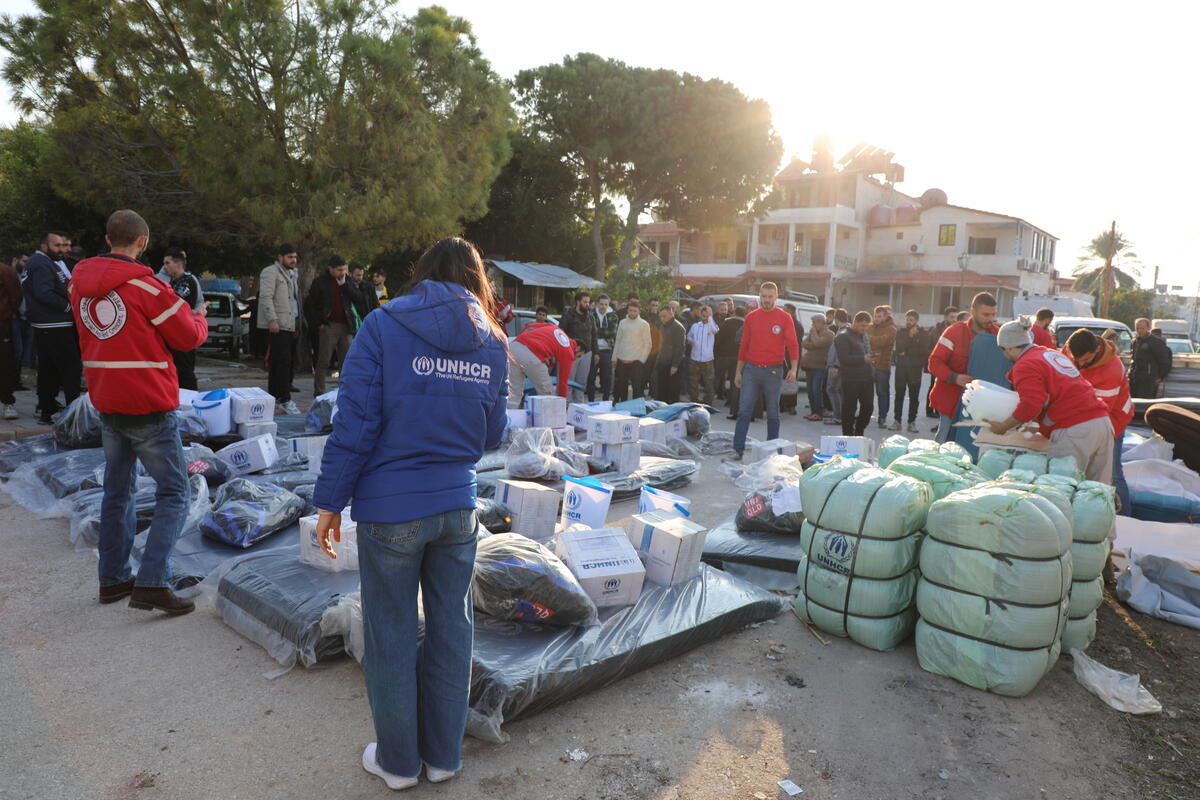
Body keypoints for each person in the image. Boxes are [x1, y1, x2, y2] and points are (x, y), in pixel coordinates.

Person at [312, 236, 508, 790]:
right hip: (457, 507)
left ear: (422, 272)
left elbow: (355, 424)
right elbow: (493, 434)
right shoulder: (493, 340)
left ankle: (398, 764)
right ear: (476, 279)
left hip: (391, 508)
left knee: (391, 634)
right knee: (453, 631)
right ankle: (443, 757)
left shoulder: (383, 325)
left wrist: (329, 502)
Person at [70, 210, 208, 614]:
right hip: (148, 404)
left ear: (107, 239)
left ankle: (113, 579)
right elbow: (187, 337)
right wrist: (198, 319)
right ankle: (152, 582)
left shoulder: (77, 284)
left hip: (107, 401)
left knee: (117, 492)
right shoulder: (148, 287)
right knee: (175, 492)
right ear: (143, 242)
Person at [986, 319, 1114, 483]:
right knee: (1098, 491)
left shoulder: (1026, 364)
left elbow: (1031, 405)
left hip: (1074, 429)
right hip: (1102, 422)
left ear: (1010, 347)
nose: (1004, 355)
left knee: (1063, 486)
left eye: (1003, 350)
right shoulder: (1049, 354)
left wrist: (1003, 427)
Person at [1064, 328, 1134, 513]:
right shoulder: (1073, 348)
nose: (1080, 363)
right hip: (1087, 415)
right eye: (1077, 359)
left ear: (1096, 350)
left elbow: (1098, 412)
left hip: (1113, 420)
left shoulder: (1111, 371)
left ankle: (1125, 516)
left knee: (1112, 472)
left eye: (1085, 360)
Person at [732, 282, 799, 459]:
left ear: (776, 297)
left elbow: (793, 345)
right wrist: (738, 371)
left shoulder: (785, 318)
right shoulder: (751, 317)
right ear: (759, 296)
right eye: (763, 296)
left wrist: (793, 369)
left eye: (770, 297)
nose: (766, 300)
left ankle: (771, 453)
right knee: (744, 411)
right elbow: (744, 345)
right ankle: (737, 450)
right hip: (751, 370)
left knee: (773, 413)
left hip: (773, 372)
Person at [24, 230, 82, 424]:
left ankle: (47, 410)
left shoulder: (47, 261)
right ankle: (74, 415)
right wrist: (68, 307)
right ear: (44, 246)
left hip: (51, 323)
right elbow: (44, 292)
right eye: (57, 245)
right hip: (56, 323)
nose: (61, 249)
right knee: (70, 369)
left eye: (63, 245)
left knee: (49, 369)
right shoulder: (41, 263)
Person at [927, 293, 999, 443]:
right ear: (973, 311)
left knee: (974, 444)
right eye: (986, 314)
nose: (991, 319)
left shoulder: (998, 335)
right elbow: (934, 362)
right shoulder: (954, 332)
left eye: (993, 314)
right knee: (944, 442)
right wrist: (954, 377)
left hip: (982, 404)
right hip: (951, 401)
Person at [306, 254, 364, 396]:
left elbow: (358, 298)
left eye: (344, 269)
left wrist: (344, 286)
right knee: (324, 360)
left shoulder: (348, 280)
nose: (341, 273)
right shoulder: (320, 282)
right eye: (339, 270)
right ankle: (319, 392)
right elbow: (310, 305)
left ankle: (345, 392)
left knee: (347, 361)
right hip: (329, 325)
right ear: (330, 269)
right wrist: (319, 323)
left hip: (346, 325)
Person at [258, 244, 301, 414]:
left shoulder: (292, 274)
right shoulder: (270, 272)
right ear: (280, 257)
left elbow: (293, 301)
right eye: (290, 257)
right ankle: (284, 398)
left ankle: (275, 397)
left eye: (295, 257)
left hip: (289, 324)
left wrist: (296, 323)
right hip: (277, 325)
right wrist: (272, 319)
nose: (293, 260)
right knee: (282, 362)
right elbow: (266, 297)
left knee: (280, 362)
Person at [159, 248, 204, 390]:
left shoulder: (187, 281)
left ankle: (190, 399)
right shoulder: (174, 281)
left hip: (184, 334)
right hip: (176, 334)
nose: (164, 267)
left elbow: (173, 305)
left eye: (167, 263)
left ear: (178, 264)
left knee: (185, 372)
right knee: (177, 371)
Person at [508, 321, 575, 407]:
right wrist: (562, 402)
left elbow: (529, 326)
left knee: (513, 393)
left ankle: (510, 412)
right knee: (546, 393)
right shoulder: (568, 350)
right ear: (578, 349)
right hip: (532, 353)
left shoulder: (554, 327)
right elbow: (563, 381)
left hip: (514, 346)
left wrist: (521, 339)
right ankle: (551, 414)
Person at [835, 311, 876, 436]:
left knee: (868, 407)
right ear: (855, 322)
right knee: (849, 408)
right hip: (851, 379)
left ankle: (859, 430)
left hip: (867, 378)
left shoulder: (862, 336)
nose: (865, 329)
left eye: (867, 326)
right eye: (863, 325)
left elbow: (865, 352)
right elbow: (844, 358)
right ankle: (848, 434)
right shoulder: (843, 336)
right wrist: (863, 359)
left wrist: (870, 358)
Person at [892, 310, 930, 433]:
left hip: (915, 370)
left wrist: (908, 352)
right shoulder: (901, 332)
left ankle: (911, 422)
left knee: (914, 397)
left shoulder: (923, 334)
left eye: (911, 320)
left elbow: (925, 351)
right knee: (899, 396)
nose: (908, 322)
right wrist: (909, 337)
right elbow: (899, 349)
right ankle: (897, 421)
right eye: (907, 319)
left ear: (916, 320)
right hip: (901, 369)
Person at [558, 291, 597, 398]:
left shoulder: (591, 317)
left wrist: (596, 352)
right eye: (585, 302)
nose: (587, 304)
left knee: (581, 383)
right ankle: (567, 404)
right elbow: (560, 334)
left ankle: (579, 405)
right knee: (569, 382)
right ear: (578, 302)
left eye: (588, 302)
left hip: (587, 353)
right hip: (571, 354)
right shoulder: (568, 316)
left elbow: (594, 335)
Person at [612, 300, 652, 402]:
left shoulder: (644, 324)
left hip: (636, 361)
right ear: (627, 311)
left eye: (635, 311)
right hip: (622, 359)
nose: (632, 313)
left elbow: (648, 344)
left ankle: (636, 408)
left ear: (639, 312)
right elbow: (618, 341)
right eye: (630, 310)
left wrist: (641, 360)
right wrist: (614, 358)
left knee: (637, 387)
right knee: (621, 386)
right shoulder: (622, 322)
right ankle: (622, 406)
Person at [925, 306, 958, 418]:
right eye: (951, 317)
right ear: (945, 317)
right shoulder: (937, 330)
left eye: (956, 317)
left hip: (952, 365)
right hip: (939, 363)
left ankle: (940, 411)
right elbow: (930, 347)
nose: (954, 319)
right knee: (933, 386)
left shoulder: (959, 330)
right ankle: (930, 410)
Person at [1128, 317, 1172, 401]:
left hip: (1148, 381)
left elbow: (1164, 362)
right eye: (1137, 328)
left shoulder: (1156, 342)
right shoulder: (1135, 341)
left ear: (1148, 328)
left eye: (1142, 328)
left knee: (1144, 404)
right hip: (1134, 380)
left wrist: (1160, 377)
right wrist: (1130, 374)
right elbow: (1133, 360)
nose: (1139, 330)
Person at [867, 305, 897, 428]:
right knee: (867, 392)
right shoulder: (870, 327)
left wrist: (870, 339)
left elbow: (883, 341)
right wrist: (874, 341)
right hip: (869, 364)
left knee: (882, 392)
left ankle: (882, 417)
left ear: (885, 316)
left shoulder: (892, 329)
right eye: (875, 316)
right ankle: (866, 415)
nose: (876, 318)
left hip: (882, 366)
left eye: (879, 316)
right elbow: (866, 341)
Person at [800, 314, 834, 422]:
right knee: (810, 390)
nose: (812, 325)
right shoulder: (813, 332)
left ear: (821, 322)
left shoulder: (829, 334)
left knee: (816, 390)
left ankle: (818, 413)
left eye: (814, 322)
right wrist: (814, 344)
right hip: (809, 365)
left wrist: (814, 336)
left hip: (819, 366)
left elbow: (818, 343)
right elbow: (804, 343)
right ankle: (813, 411)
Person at [686, 304, 718, 406]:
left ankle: (708, 402)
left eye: (707, 316)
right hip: (694, 358)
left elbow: (715, 330)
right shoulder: (695, 326)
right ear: (700, 315)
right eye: (703, 316)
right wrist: (690, 341)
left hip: (707, 359)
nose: (705, 318)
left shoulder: (712, 325)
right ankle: (694, 400)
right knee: (693, 381)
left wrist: (710, 317)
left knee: (708, 381)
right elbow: (689, 336)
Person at [0, 258, 21, 418]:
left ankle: (8, 401)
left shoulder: (5, 271)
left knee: (5, 362)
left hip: (2, 321)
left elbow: (16, 295)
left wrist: (6, 314)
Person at [587, 293, 618, 402]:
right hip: (593, 349)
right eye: (601, 304)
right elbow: (589, 332)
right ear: (597, 304)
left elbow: (612, 333)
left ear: (608, 304)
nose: (603, 306)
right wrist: (600, 332)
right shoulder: (590, 314)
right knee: (591, 377)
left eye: (606, 304)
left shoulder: (613, 316)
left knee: (607, 378)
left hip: (607, 350)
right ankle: (591, 401)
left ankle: (605, 401)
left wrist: (596, 332)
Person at [655, 306, 686, 404]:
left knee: (673, 392)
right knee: (661, 390)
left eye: (664, 316)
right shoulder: (662, 325)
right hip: (662, 362)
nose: (662, 318)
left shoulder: (678, 327)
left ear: (671, 314)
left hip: (673, 364)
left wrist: (675, 365)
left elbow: (680, 348)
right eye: (660, 316)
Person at [824, 309, 850, 425]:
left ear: (836, 318)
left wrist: (836, 367)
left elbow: (841, 352)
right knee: (837, 390)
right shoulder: (842, 330)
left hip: (836, 366)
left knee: (832, 389)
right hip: (835, 365)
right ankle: (839, 415)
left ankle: (838, 416)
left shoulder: (844, 332)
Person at [714, 305, 743, 403]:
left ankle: (709, 397)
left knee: (716, 377)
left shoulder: (726, 322)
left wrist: (716, 352)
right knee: (734, 380)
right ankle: (732, 402)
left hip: (723, 355)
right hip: (737, 356)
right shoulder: (745, 324)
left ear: (735, 313)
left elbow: (719, 338)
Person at [644, 298, 661, 397]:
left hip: (657, 348)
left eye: (656, 305)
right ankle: (641, 392)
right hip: (646, 348)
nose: (654, 307)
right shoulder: (645, 316)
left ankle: (653, 393)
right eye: (653, 305)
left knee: (655, 372)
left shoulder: (660, 317)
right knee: (645, 371)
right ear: (648, 306)